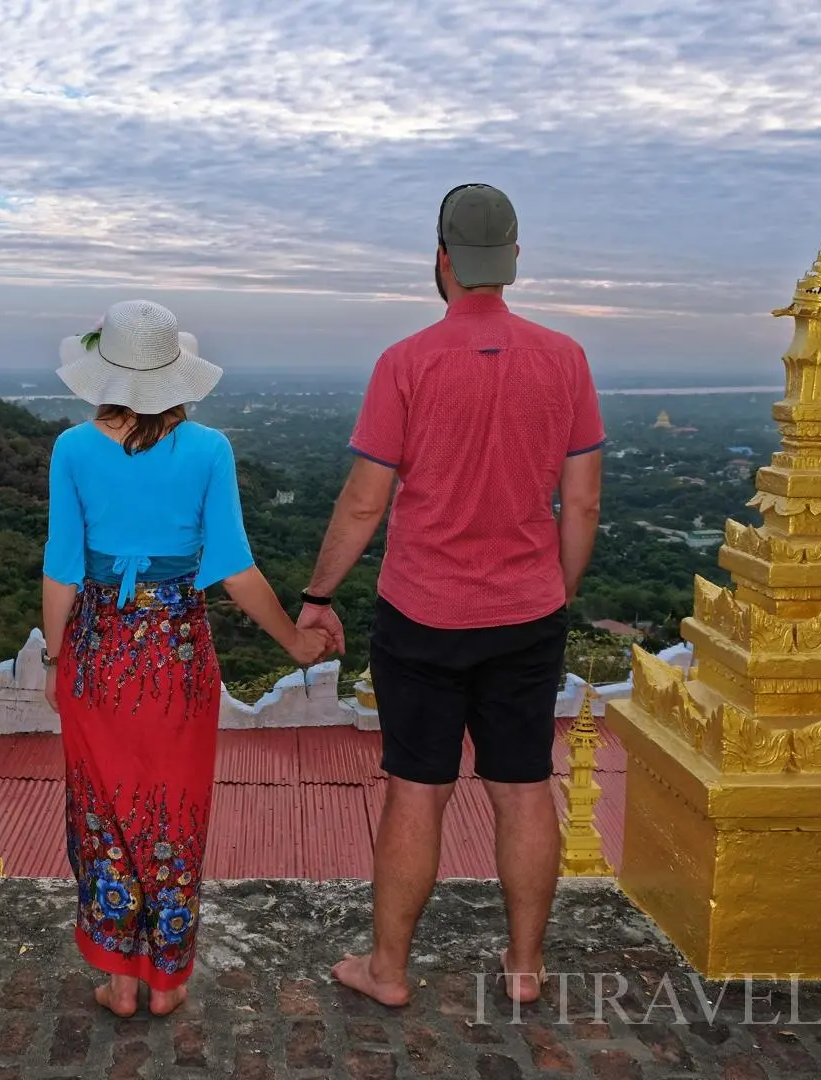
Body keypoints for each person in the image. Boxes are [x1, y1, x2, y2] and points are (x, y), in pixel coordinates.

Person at [296, 184, 604, 1007]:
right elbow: (581, 503)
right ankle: (525, 966)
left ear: (441, 261)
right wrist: (555, 590)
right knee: (524, 786)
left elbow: (365, 502)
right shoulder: (565, 358)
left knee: (415, 789)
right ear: (512, 262)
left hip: (422, 610)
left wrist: (318, 594)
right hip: (526, 610)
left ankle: (389, 969)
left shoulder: (406, 363)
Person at [42, 299, 330, 1018]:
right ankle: (167, 979)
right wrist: (296, 642)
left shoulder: (73, 450)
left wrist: (55, 658)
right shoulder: (209, 451)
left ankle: (119, 979)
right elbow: (234, 568)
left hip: (98, 655)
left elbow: (61, 571)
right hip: (177, 658)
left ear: (103, 375)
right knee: (173, 813)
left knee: (104, 814)